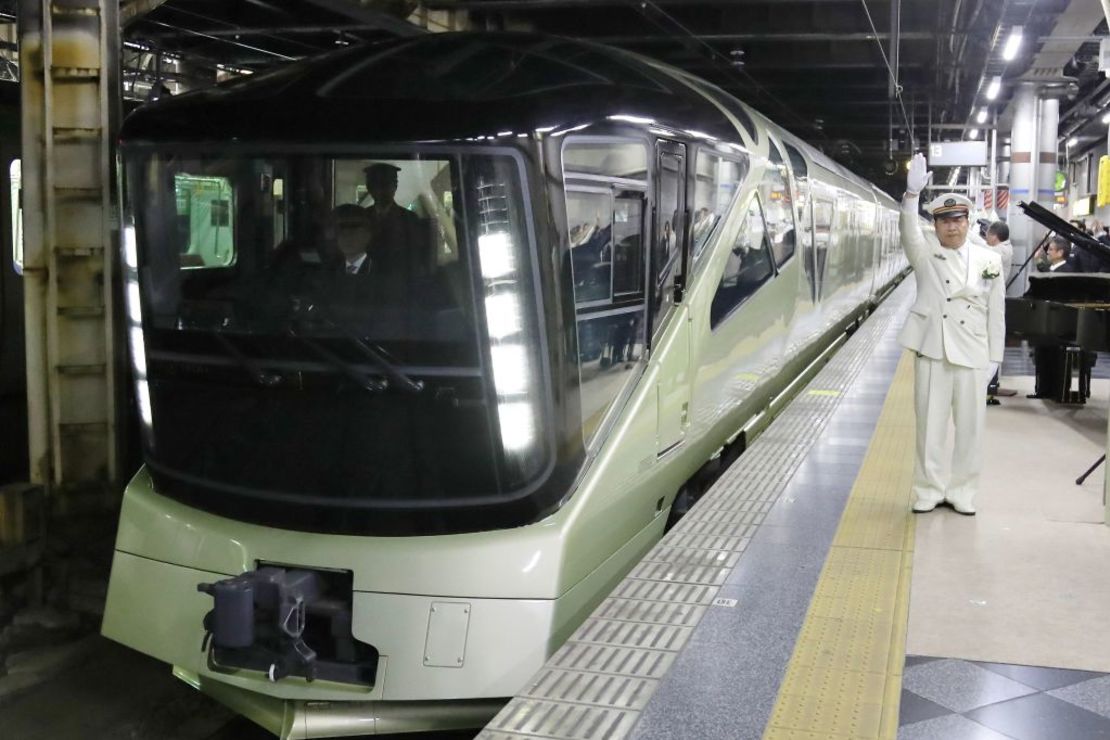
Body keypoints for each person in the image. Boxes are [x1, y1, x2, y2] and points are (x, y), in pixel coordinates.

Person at [899, 153, 1005, 516]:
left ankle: (963, 491)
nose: (952, 227)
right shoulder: (924, 254)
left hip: (974, 351)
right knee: (929, 426)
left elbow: (997, 313)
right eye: (944, 221)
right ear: (936, 225)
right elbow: (908, 230)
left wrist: (996, 358)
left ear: (968, 220)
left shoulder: (990, 261)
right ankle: (928, 490)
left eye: (958, 220)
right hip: (933, 348)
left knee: (971, 429)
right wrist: (911, 196)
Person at [362, 163, 431, 277]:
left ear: (395, 186)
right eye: (376, 185)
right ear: (369, 188)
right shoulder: (362, 217)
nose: (381, 190)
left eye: (386, 185)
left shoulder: (410, 219)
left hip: (400, 284)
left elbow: (415, 259)